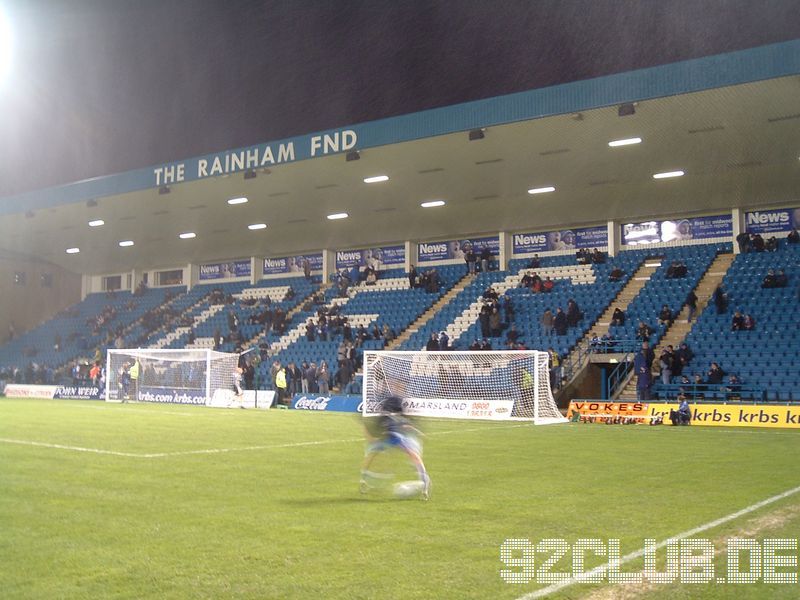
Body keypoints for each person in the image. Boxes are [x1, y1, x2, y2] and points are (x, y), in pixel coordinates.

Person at [360, 394, 431, 500]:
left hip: (392, 437)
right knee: (413, 455)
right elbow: (406, 426)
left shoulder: (385, 418)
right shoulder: (394, 417)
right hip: (394, 437)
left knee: (372, 454)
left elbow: (370, 430)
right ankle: (425, 483)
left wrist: (372, 439)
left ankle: (363, 478)